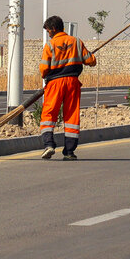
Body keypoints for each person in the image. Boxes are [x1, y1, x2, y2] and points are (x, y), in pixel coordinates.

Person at [39, 15, 96, 160]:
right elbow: (90, 61)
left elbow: (44, 69)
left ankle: (49, 145)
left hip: (55, 83)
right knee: (71, 115)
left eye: (48, 31)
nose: (48, 34)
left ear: (53, 29)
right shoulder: (77, 42)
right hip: (72, 82)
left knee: (49, 113)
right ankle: (69, 152)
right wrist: (90, 57)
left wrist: (47, 74)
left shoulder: (50, 45)